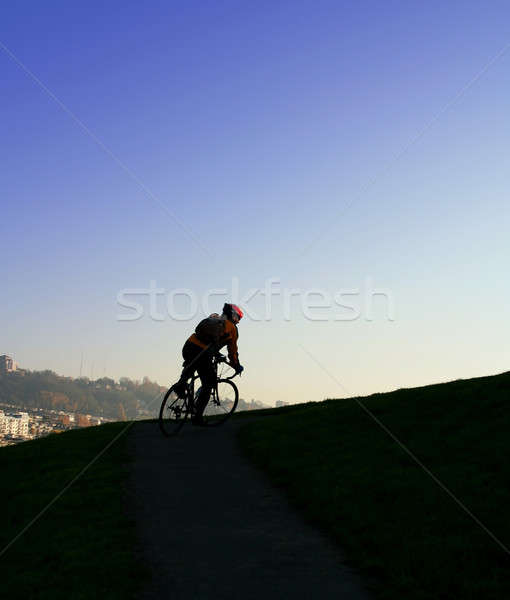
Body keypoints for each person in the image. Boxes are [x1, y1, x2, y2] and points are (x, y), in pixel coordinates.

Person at [175, 303, 244, 425]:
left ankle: (182, 384)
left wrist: (215, 353)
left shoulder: (214, 317)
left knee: (191, 365)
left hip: (189, 345)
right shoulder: (232, 328)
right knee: (208, 384)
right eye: (238, 318)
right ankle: (197, 417)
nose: (238, 321)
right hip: (204, 352)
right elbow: (232, 351)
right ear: (233, 316)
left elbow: (208, 337)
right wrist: (236, 366)